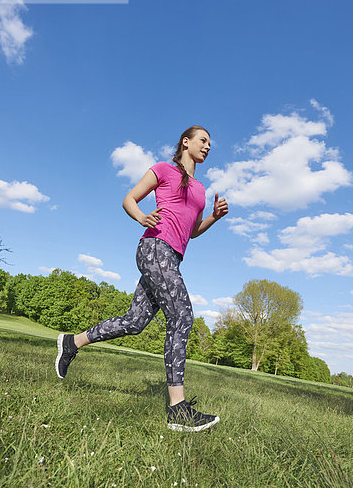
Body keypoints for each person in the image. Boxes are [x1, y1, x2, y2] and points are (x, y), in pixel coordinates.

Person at [55, 125, 228, 432]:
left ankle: (72, 342)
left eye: (210, 144)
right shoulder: (163, 170)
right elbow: (129, 199)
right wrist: (141, 217)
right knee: (183, 316)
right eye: (203, 141)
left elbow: (191, 231)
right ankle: (177, 410)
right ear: (185, 143)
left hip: (171, 256)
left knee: (135, 322)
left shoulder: (200, 190)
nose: (208, 147)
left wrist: (213, 216)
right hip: (153, 248)